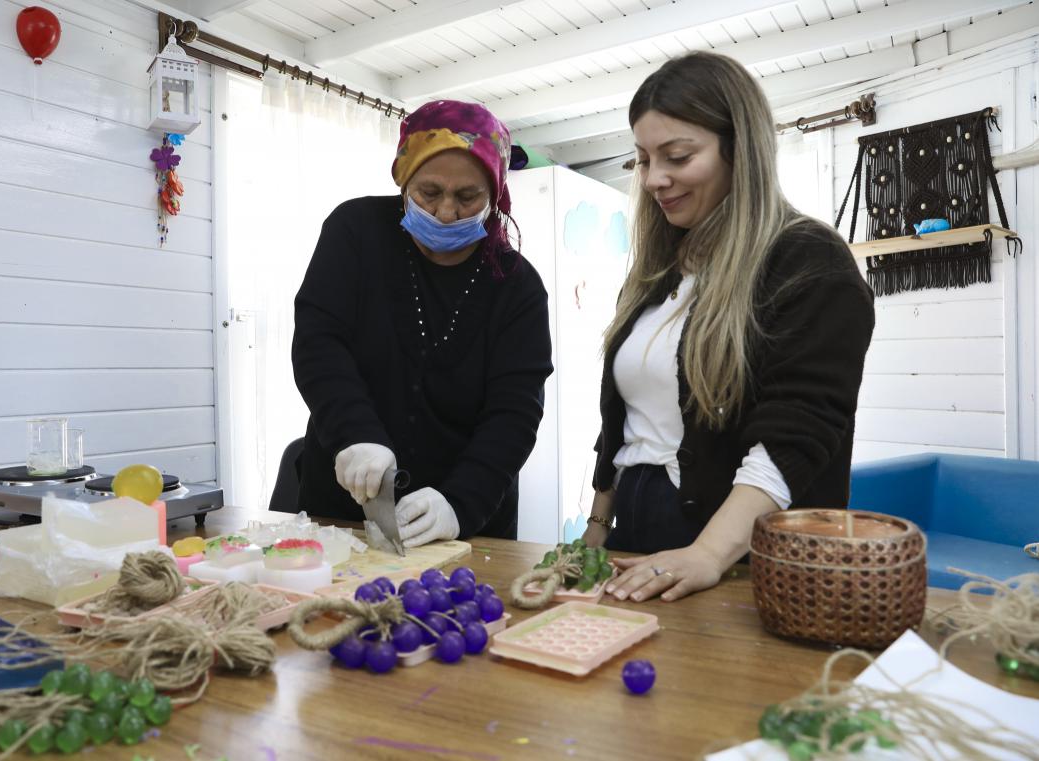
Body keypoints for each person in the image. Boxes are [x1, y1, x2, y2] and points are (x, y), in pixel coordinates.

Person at [583, 51, 875, 602]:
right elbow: (623, 425)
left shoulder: (809, 262)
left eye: (677, 156)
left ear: (740, 149)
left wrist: (709, 553)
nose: (654, 179)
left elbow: (797, 435)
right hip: (642, 535)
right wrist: (595, 536)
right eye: (644, 159)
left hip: (739, 552)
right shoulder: (657, 270)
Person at [291, 100, 553, 547]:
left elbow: (514, 412)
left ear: (495, 195)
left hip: (466, 521)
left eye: (468, 197)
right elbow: (320, 344)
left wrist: (460, 503)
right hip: (345, 510)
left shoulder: (517, 285)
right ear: (403, 178)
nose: (446, 212)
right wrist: (356, 435)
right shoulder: (355, 232)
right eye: (429, 192)